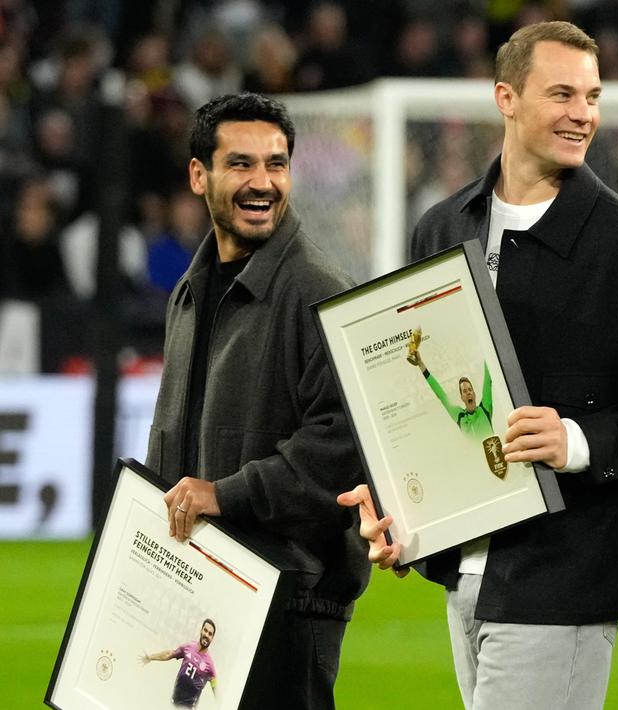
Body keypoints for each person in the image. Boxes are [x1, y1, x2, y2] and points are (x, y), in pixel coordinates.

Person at [338, 21, 618, 710]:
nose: (583, 114)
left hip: (566, 572)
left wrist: (577, 441)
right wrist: (394, 501)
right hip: (464, 567)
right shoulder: (442, 226)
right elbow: (412, 392)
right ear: (505, 98)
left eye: (593, 96)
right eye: (562, 94)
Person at [146, 93, 369, 710]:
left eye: (277, 164)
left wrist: (226, 493)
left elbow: (344, 449)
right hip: (200, 585)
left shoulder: (319, 290)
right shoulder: (188, 293)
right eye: (241, 164)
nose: (263, 183)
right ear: (199, 175)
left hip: (290, 599)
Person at [407, 330, 494, 440]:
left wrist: (486, 343)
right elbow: (441, 395)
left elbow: (487, 379)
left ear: (474, 394)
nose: (468, 392)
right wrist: (420, 364)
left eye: (469, 390)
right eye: (464, 391)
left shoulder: (485, 408)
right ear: (462, 397)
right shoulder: (459, 415)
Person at [140, 619, 219, 708]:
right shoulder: (188, 647)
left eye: (210, 634)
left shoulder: (210, 665)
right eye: (205, 630)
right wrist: (151, 657)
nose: (206, 635)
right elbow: (169, 654)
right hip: (174, 700)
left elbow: (216, 690)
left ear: (212, 638)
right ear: (201, 630)